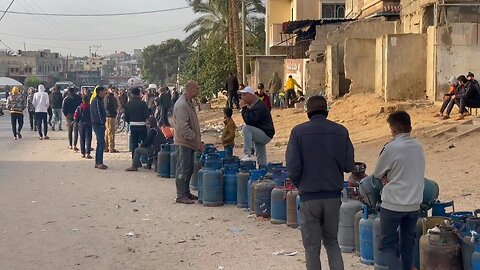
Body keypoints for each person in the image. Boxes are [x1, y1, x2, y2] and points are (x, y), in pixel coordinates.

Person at [286, 95, 354, 270]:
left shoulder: (297, 132)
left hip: (309, 198)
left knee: (311, 248)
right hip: (333, 197)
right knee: (332, 242)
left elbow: (293, 168)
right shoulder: (341, 131)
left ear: (307, 112)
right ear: (326, 111)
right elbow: (349, 166)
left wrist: (301, 185)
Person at [373, 111, 425, 270]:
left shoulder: (391, 148)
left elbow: (377, 174)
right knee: (407, 242)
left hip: (393, 204)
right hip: (414, 203)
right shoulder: (418, 146)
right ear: (410, 127)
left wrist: (385, 178)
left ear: (393, 130)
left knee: (386, 245)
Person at [173, 80, 203, 204]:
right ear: (190, 90)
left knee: (188, 168)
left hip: (189, 142)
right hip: (183, 142)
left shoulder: (189, 102)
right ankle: (180, 195)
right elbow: (183, 128)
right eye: (196, 88)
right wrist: (196, 139)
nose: (198, 90)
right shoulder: (181, 105)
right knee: (182, 169)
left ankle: (186, 192)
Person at [238, 86, 275, 167]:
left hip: (266, 133)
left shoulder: (259, 106)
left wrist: (244, 108)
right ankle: (263, 168)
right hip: (262, 131)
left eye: (244, 95)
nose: (242, 97)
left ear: (250, 95)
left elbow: (249, 121)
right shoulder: (254, 105)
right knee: (260, 150)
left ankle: (247, 154)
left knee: (246, 128)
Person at [124, 87, 150, 159]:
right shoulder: (143, 103)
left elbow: (126, 118)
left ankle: (135, 161)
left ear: (132, 94)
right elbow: (146, 116)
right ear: (139, 94)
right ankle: (145, 159)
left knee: (134, 144)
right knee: (144, 143)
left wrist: (131, 122)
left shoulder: (128, 104)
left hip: (133, 126)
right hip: (142, 125)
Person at [90, 86, 108, 170]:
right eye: (104, 91)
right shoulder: (96, 101)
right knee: (101, 143)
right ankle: (99, 162)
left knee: (100, 143)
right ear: (100, 92)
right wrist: (102, 123)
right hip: (98, 124)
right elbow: (98, 114)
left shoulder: (99, 100)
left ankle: (97, 162)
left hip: (98, 124)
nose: (105, 93)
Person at [104, 85, 119, 153]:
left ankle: (107, 147)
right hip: (110, 116)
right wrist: (114, 110)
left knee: (108, 132)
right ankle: (111, 148)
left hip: (111, 115)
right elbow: (106, 106)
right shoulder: (107, 97)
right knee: (111, 132)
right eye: (111, 88)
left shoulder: (112, 97)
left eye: (113, 88)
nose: (113, 90)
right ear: (108, 89)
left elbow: (117, 105)